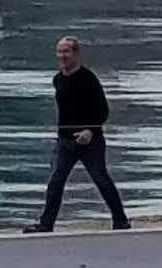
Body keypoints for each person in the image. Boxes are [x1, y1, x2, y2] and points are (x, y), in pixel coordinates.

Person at [27, 35, 131, 232]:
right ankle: (46, 224)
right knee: (56, 182)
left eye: (66, 51)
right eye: (59, 52)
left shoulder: (88, 78)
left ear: (75, 53)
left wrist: (90, 130)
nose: (62, 56)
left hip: (90, 142)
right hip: (66, 142)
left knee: (101, 178)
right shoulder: (57, 80)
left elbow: (102, 109)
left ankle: (121, 220)